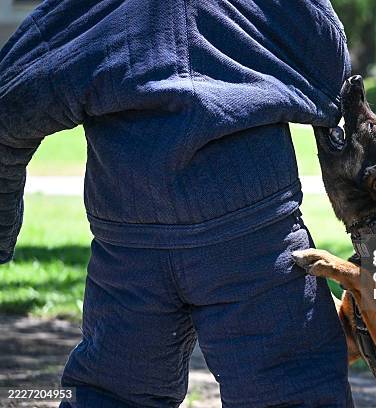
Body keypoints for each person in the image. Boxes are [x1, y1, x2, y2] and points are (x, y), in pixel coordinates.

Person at [0, 0, 353, 406]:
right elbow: (332, 70)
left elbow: (10, 102)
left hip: (129, 231)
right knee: (290, 386)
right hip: (252, 224)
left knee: (112, 393)